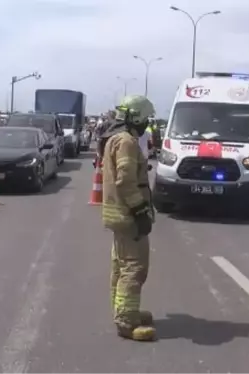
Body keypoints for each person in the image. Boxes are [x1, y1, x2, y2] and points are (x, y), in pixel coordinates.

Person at [100, 95, 157, 341]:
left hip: (117, 215)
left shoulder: (114, 139)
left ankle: (125, 310)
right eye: (145, 119)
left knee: (120, 266)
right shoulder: (127, 142)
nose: (146, 123)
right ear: (135, 117)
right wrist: (140, 211)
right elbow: (125, 181)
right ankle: (126, 321)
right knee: (134, 269)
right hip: (128, 216)